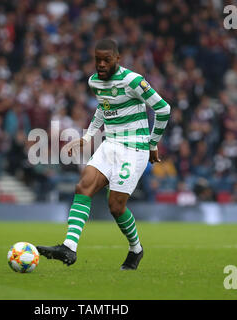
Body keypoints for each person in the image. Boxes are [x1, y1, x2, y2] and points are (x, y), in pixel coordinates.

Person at [37, 39, 171, 270]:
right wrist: (88, 136)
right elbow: (103, 107)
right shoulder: (94, 82)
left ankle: (136, 249)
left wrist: (152, 143)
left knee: (116, 207)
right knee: (83, 186)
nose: (100, 64)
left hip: (134, 148)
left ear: (117, 59)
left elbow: (163, 109)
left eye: (106, 60)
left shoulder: (133, 81)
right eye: (97, 59)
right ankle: (69, 247)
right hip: (109, 145)